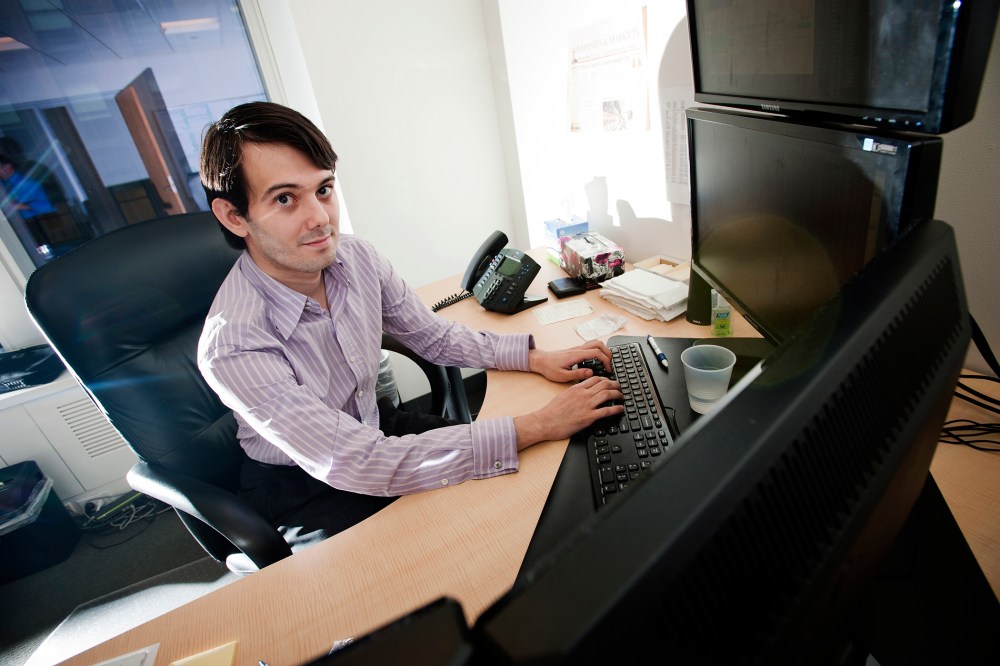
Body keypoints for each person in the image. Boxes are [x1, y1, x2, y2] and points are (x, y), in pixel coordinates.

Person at [197, 101, 623, 545]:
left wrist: (535, 358)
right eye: (285, 199)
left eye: (323, 189)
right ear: (234, 216)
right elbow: (356, 463)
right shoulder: (233, 345)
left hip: (375, 428)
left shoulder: (355, 257)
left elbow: (432, 336)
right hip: (302, 482)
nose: (321, 218)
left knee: (527, 492)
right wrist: (539, 423)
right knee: (451, 552)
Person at [0, 153, 56, 220]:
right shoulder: (3, 182)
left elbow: (48, 206)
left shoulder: (29, 183)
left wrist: (19, 206)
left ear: (9, 166)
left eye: (1, 167)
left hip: (23, 225)